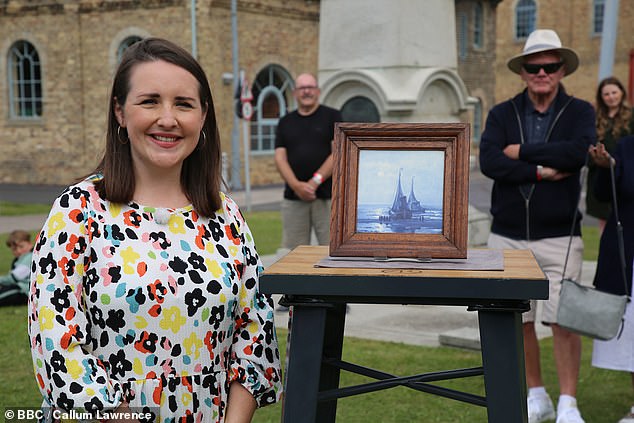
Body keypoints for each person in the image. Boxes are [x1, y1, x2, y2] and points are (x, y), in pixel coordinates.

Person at [27, 38, 282, 422]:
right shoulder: (78, 210)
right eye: (149, 101)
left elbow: (255, 333)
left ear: (203, 115)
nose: (168, 118)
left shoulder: (226, 216)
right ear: (120, 112)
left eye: (183, 104)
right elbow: (55, 337)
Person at [479, 29, 596, 423]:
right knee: (521, 319)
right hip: (508, 234)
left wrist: (522, 154)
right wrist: (544, 171)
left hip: (560, 234)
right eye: (534, 67)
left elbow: (578, 152)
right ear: (524, 71)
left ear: (562, 69)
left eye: (549, 66)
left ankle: (568, 402)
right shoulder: (501, 113)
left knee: (563, 319)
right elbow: (491, 161)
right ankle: (536, 393)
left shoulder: (579, 112)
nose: (542, 73)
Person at [589, 138, 634, 423]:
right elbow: (605, 194)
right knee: (632, 334)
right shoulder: (627, 145)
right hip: (629, 252)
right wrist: (605, 167)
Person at [274, 72, 342, 252]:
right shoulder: (285, 122)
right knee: (294, 252)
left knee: (332, 250)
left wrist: (314, 182)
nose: (306, 92)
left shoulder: (332, 117)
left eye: (310, 87)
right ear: (295, 93)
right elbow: (280, 157)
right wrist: (297, 186)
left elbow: (338, 153)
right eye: (302, 88)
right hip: (294, 198)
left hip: (327, 197)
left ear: (318, 91)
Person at [586, 77, 634, 234]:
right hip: (601, 176)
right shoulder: (594, 118)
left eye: (614, 92)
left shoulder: (631, 117)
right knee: (605, 224)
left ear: (622, 93)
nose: (611, 97)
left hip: (625, 176)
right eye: (606, 94)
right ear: (601, 96)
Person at [0, 229, 32, 306]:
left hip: (24, 291)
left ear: (30, 244)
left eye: (21, 246)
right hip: (18, 287)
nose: (18, 251)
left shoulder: (30, 257)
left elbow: (14, 277)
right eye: (14, 249)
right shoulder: (21, 258)